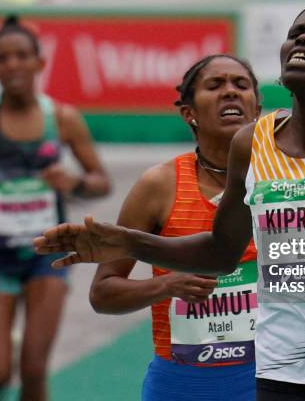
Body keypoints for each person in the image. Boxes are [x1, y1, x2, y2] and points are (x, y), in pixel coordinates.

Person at [35, 4, 305, 400]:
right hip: (280, 372)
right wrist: (129, 242)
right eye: (298, 32)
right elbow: (220, 252)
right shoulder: (253, 144)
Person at [0, 15, 111, 401]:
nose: (12, 65)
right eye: (2, 58)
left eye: (21, 56)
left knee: (33, 368)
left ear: (39, 63)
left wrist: (75, 182)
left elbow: (101, 182)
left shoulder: (61, 119)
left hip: (46, 255)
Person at [89, 54, 261, 401]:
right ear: (188, 112)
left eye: (241, 85)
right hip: (181, 383)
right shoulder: (159, 185)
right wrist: (167, 284)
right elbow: (103, 293)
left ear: (256, 107)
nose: (230, 92)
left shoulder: (281, 178)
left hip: (270, 377)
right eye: (215, 85)